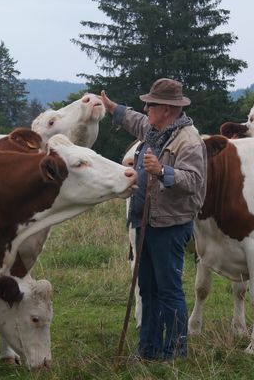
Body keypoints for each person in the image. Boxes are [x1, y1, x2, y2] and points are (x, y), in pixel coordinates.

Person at [101, 78, 207, 360]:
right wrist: (113, 108)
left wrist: (161, 171)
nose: (146, 108)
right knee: (147, 288)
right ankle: (148, 350)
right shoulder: (154, 129)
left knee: (169, 290)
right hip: (145, 221)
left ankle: (175, 352)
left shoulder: (190, 141)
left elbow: (195, 181)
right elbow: (135, 120)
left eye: (152, 104)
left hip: (169, 226)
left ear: (167, 110)